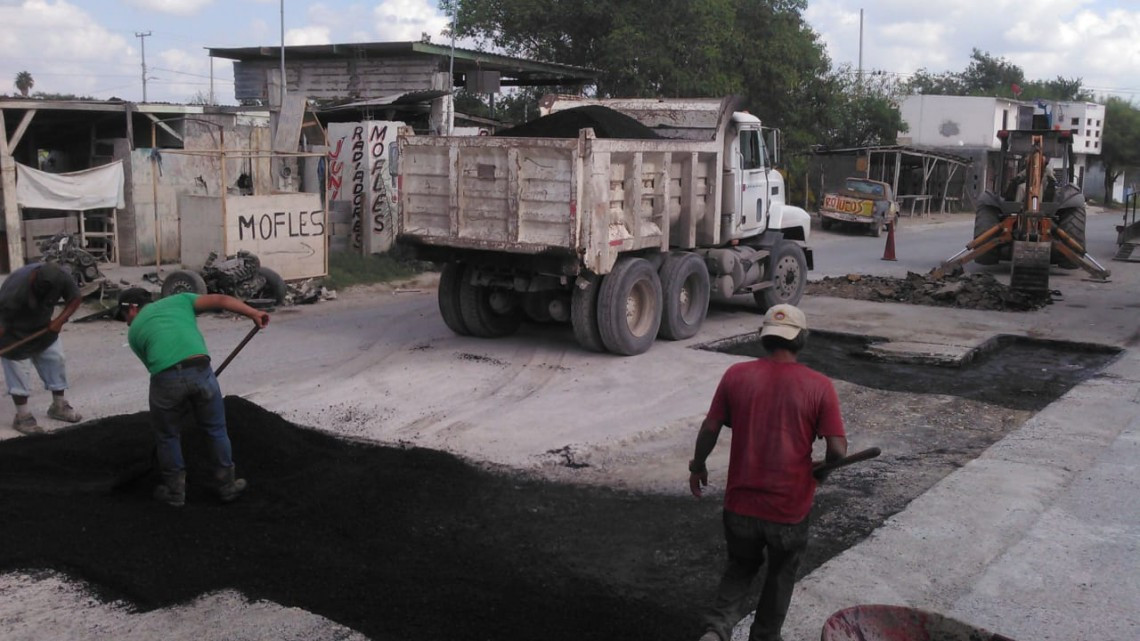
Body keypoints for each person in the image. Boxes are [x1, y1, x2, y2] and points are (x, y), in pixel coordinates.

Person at [688, 304, 847, 641]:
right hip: (788, 510)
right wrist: (823, 471)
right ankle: (763, 636)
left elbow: (710, 427)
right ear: (801, 338)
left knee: (741, 567)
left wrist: (698, 464)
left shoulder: (736, 375)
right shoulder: (819, 386)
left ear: (764, 338)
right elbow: (836, 450)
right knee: (780, 575)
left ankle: (715, 632)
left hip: (741, 505)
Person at [118, 288, 269, 507]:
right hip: (201, 370)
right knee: (216, 429)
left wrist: (178, 401)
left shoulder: (133, 335)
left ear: (132, 308)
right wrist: (254, 313)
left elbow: (157, 367)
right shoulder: (180, 300)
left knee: (168, 435)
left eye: (125, 317)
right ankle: (227, 485)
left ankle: (175, 492)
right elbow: (221, 299)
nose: (127, 323)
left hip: (166, 380)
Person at [0, 261, 84, 435]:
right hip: (13, 334)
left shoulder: (61, 277)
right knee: (19, 373)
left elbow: (75, 298)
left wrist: (59, 321)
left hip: (44, 328)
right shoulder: (13, 291)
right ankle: (22, 416)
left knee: (56, 360)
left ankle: (58, 406)